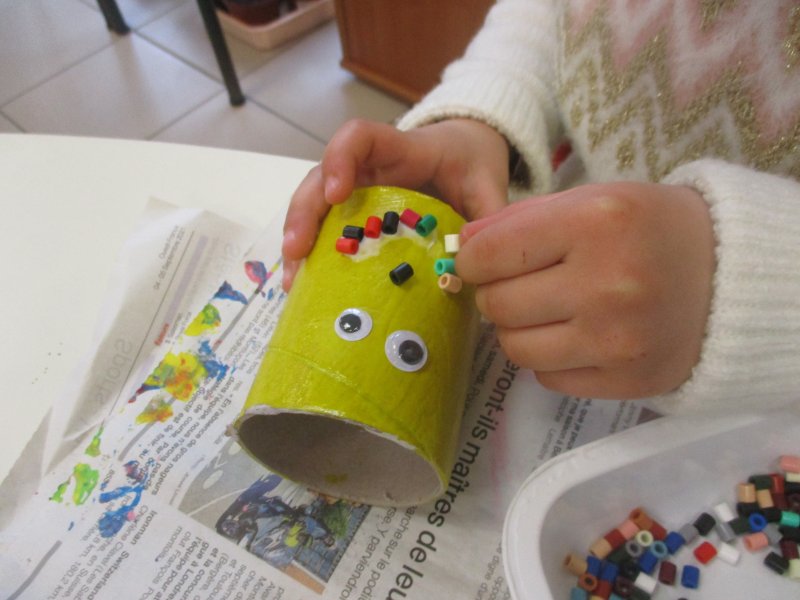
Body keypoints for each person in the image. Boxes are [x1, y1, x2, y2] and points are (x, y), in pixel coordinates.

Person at [281, 0, 800, 413]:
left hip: (760, 388)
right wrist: (481, 117)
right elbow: (550, 13)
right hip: (562, 260)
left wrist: (745, 282)